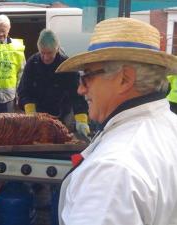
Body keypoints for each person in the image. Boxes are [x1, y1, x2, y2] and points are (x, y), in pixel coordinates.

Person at [57, 17, 177, 225]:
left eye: (87, 76)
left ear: (124, 79)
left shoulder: (111, 172)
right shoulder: (169, 124)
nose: (81, 89)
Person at [18, 29, 89, 138]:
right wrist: (31, 114)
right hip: (38, 114)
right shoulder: (32, 63)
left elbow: (77, 97)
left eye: (50, 53)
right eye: (42, 53)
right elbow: (24, 91)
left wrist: (82, 120)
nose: (46, 57)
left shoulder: (67, 66)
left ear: (57, 49)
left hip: (62, 115)